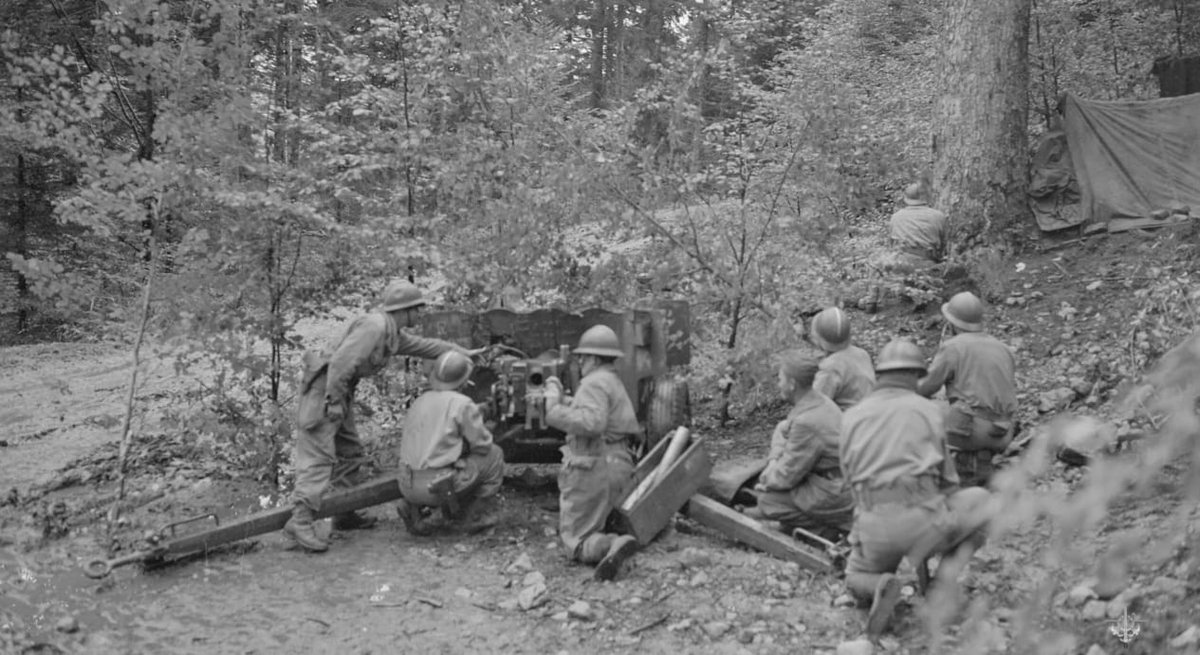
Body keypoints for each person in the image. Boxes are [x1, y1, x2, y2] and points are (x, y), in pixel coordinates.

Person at [285, 280, 478, 552]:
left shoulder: (391, 333)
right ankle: (300, 520)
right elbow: (340, 364)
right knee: (319, 457)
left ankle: (345, 512)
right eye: (417, 309)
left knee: (350, 452)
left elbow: (425, 346)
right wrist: (334, 403)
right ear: (404, 310)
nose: (420, 314)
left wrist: (462, 352)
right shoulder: (374, 328)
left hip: (339, 392)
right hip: (326, 393)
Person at [839, 339, 992, 640]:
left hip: (874, 526)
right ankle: (940, 588)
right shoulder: (931, 411)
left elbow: (848, 479)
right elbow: (949, 484)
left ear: (880, 375)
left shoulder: (850, 417)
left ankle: (880, 584)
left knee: (854, 576)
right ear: (916, 376)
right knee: (983, 502)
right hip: (924, 524)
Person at [543, 325, 641, 581]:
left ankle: (610, 546)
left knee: (575, 539)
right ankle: (609, 535)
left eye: (584, 357)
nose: (580, 362)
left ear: (596, 359)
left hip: (595, 469)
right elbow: (596, 414)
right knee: (594, 519)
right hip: (618, 464)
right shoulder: (610, 381)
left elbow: (592, 424)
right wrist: (567, 402)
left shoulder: (593, 383)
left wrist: (552, 406)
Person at [744, 350, 854, 539]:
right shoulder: (820, 401)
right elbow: (783, 430)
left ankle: (826, 529)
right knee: (780, 430)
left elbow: (786, 477)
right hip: (838, 481)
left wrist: (767, 479)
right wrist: (773, 463)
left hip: (833, 493)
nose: (778, 384)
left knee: (767, 501)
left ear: (792, 384)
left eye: (780, 379)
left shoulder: (807, 422)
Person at [395, 350, 505, 536]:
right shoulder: (462, 404)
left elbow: (439, 427)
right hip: (438, 488)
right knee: (494, 455)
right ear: (465, 380)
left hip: (406, 484)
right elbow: (482, 445)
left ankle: (411, 508)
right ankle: (473, 517)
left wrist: (479, 413)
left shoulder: (420, 401)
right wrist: (488, 426)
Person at [917, 291, 1017, 487]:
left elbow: (927, 388)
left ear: (953, 323)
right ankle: (981, 463)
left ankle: (934, 479)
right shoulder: (1003, 348)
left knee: (921, 409)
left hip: (970, 430)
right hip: (1004, 433)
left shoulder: (953, 347)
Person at [809, 307, 876, 409]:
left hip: (850, 420)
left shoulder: (830, 368)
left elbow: (815, 405)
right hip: (871, 413)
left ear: (819, 339)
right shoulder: (862, 354)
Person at [888, 181, 948, 267]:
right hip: (927, 262)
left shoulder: (896, 216)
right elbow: (944, 244)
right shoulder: (938, 216)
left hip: (900, 262)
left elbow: (891, 243)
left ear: (906, 198)